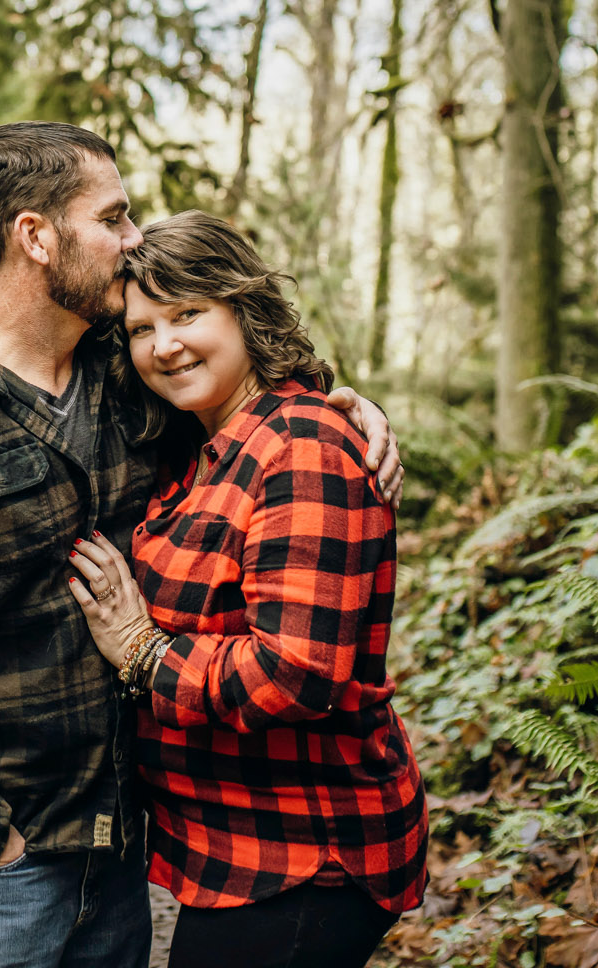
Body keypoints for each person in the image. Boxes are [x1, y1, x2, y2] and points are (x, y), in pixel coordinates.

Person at [0, 124, 403, 968]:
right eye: (116, 218)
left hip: (123, 857)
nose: (135, 239)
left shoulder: (128, 375)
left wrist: (345, 405)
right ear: (35, 237)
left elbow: (252, 417)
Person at [66, 210, 427, 968]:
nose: (163, 345)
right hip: (235, 848)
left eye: (187, 313)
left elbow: (293, 676)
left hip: (306, 854)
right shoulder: (200, 448)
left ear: (243, 307)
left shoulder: (303, 447)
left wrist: (142, 653)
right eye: (140, 329)